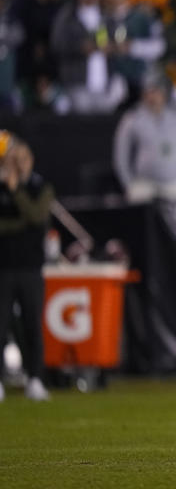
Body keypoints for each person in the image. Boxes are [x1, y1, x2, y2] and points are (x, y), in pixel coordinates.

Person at [0, 135, 54, 401]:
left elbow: (36, 216)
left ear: (30, 161)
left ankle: (35, 379)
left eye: (22, 160)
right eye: (14, 160)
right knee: (1, 325)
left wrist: (16, 192)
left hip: (31, 267)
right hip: (4, 267)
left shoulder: (39, 186)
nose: (19, 165)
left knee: (32, 325)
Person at [113, 73, 176, 203]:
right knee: (137, 220)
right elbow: (121, 154)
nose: (152, 96)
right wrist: (128, 184)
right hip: (143, 185)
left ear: (165, 93)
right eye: (148, 92)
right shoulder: (132, 118)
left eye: (156, 91)